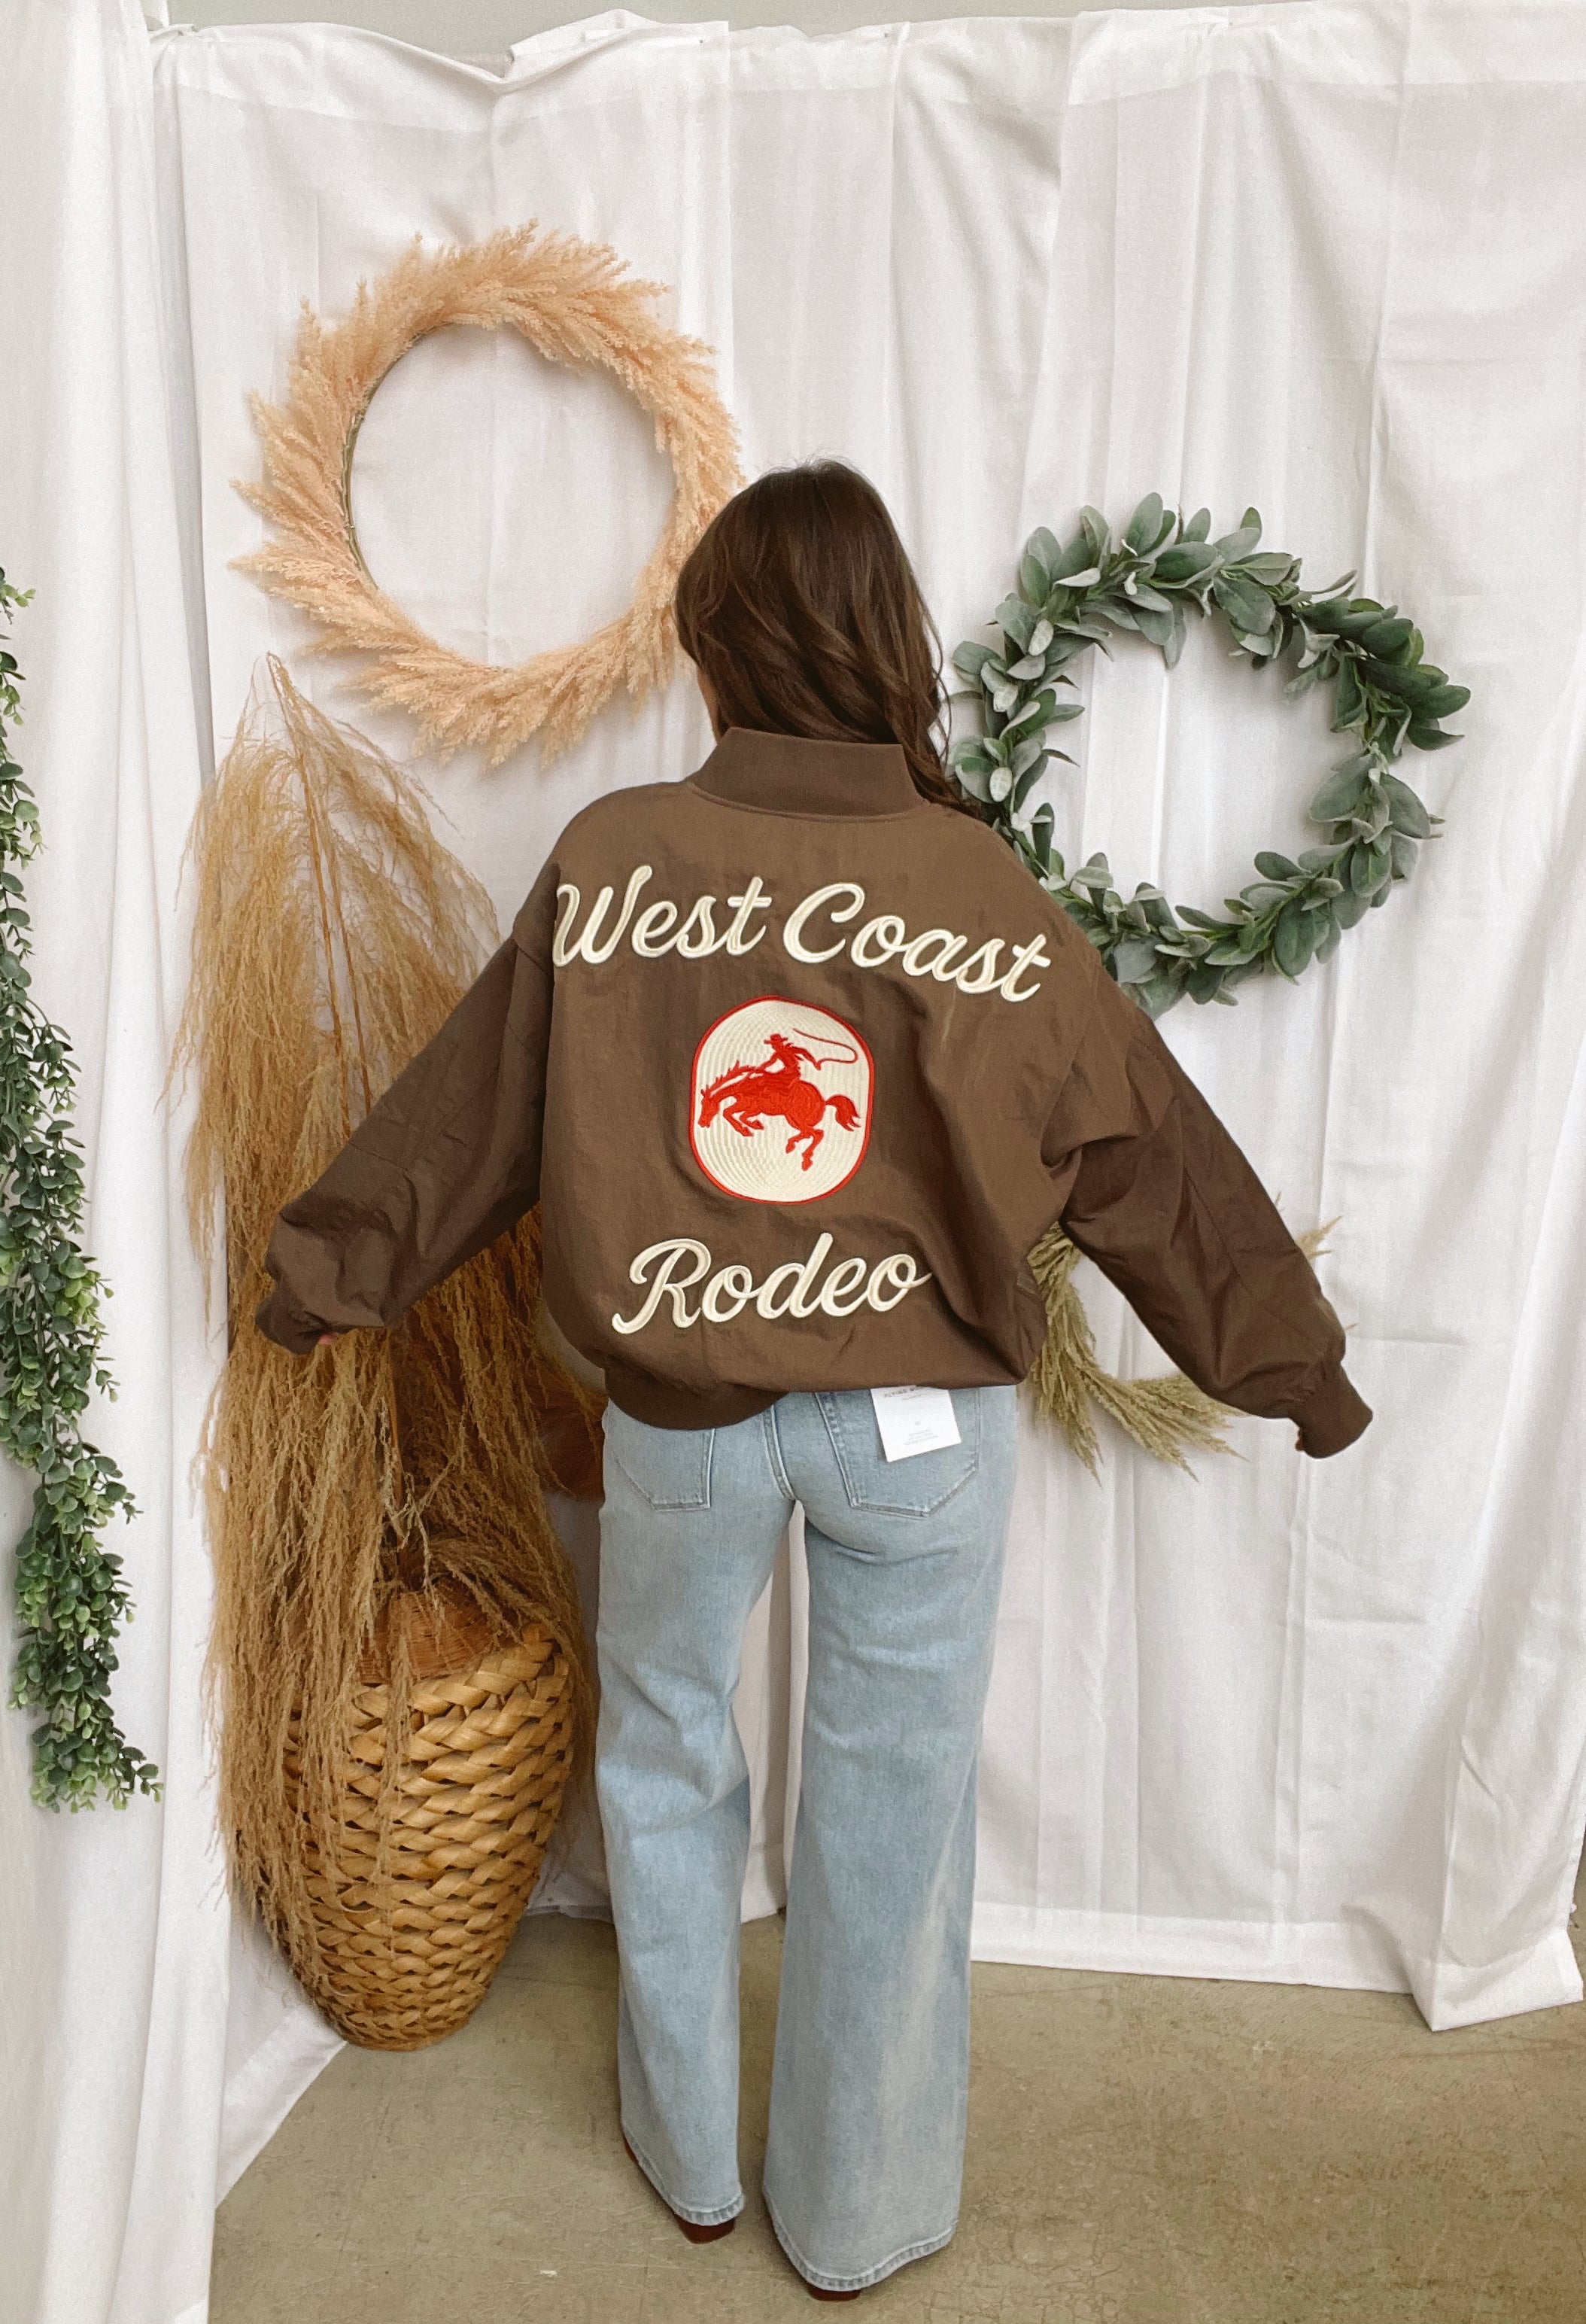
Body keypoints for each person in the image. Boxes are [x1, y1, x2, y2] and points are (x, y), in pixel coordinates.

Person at [254, 459, 1372, 2300]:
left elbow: (470, 1112)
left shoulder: (617, 858)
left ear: (718, 647)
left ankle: (691, 2153)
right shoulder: (976, 884)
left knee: (664, 1755)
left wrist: (323, 1274)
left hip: (682, 1423)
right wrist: (1291, 1363)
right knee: (895, 1805)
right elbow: (1143, 1150)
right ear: (889, 648)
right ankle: (855, 2213)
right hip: (919, 1431)